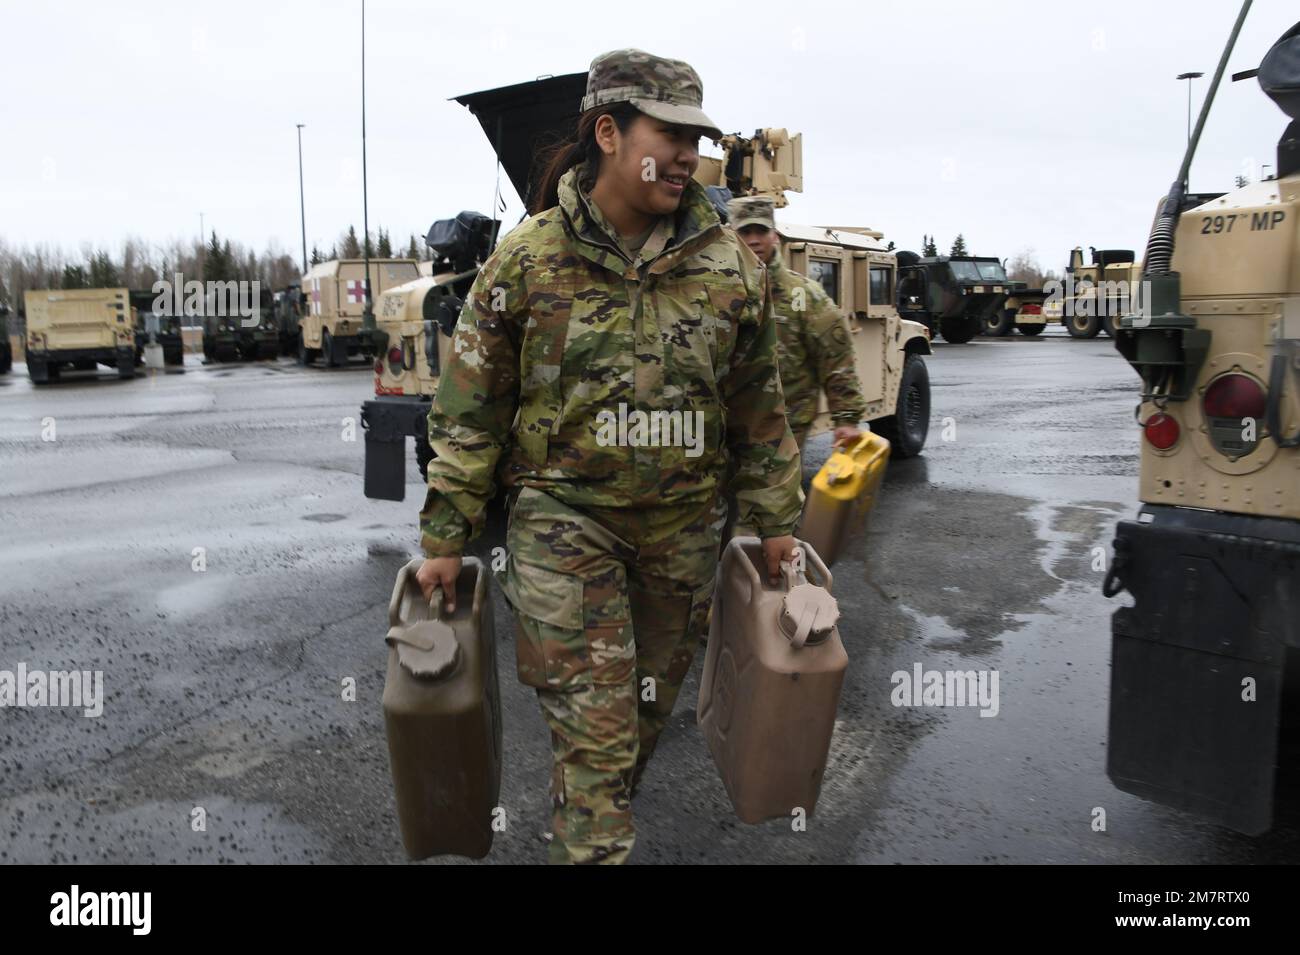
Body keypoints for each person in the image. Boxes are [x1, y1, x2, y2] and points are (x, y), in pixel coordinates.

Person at [415, 48, 804, 864]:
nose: (690, 157)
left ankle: (588, 817)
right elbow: (471, 410)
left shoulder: (730, 264)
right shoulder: (527, 259)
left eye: (698, 139)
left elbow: (758, 408)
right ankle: (592, 833)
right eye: (671, 136)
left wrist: (776, 526)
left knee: (633, 732)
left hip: (683, 539)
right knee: (597, 740)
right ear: (609, 133)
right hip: (563, 529)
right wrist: (445, 537)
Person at [727, 195, 867, 454]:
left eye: (761, 230)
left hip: (783, 428)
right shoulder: (715, 293)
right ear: (731, 237)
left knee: (771, 495)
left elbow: (836, 358)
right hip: (724, 427)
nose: (754, 239)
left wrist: (846, 418)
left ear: (775, 236)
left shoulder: (803, 295)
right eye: (745, 231)